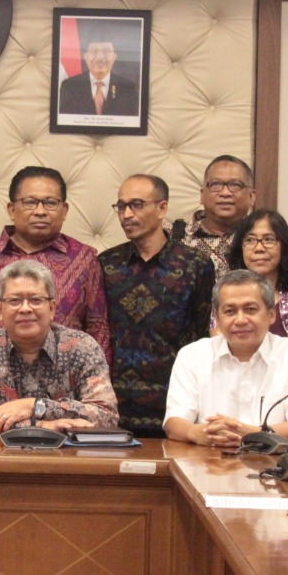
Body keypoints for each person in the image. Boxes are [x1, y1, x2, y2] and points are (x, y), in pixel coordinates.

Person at [0, 165, 110, 373]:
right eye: (30, 202)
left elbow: (98, 328)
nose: (40, 211)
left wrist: (93, 382)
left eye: (50, 203)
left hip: (65, 387)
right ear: (12, 209)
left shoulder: (84, 259)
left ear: (64, 210)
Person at [99, 174, 214, 436]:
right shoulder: (107, 263)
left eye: (137, 205)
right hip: (114, 404)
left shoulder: (195, 264)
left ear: (162, 208)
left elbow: (202, 337)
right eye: (121, 206)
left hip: (175, 404)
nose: (127, 214)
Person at [0, 260, 118, 435]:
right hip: (1, 451)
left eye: (36, 300)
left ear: (52, 308)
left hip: (68, 451)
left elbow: (107, 416)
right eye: (14, 301)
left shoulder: (81, 347)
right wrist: (40, 427)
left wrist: (36, 406)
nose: (25, 309)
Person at [163, 270, 288, 448]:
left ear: (271, 314)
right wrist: (199, 433)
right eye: (230, 311)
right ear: (217, 318)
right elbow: (173, 423)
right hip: (209, 458)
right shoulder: (192, 355)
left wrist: (249, 434)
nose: (240, 320)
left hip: (273, 461)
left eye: (250, 309)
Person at [219, 210, 288, 342]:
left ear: (283, 246)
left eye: (268, 239)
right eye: (250, 240)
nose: (259, 248)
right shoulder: (224, 294)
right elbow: (219, 343)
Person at [173, 155, 257, 279]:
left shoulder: (267, 240)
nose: (225, 193)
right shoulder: (170, 236)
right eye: (215, 184)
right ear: (202, 195)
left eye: (235, 185)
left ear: (251, 196)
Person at [58, 33, 139, 116]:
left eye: (106, 51)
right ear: (85, 56)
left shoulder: (128, 88)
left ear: (114, 57)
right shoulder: (69, 86)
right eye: (94, 51)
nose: (100, 57)